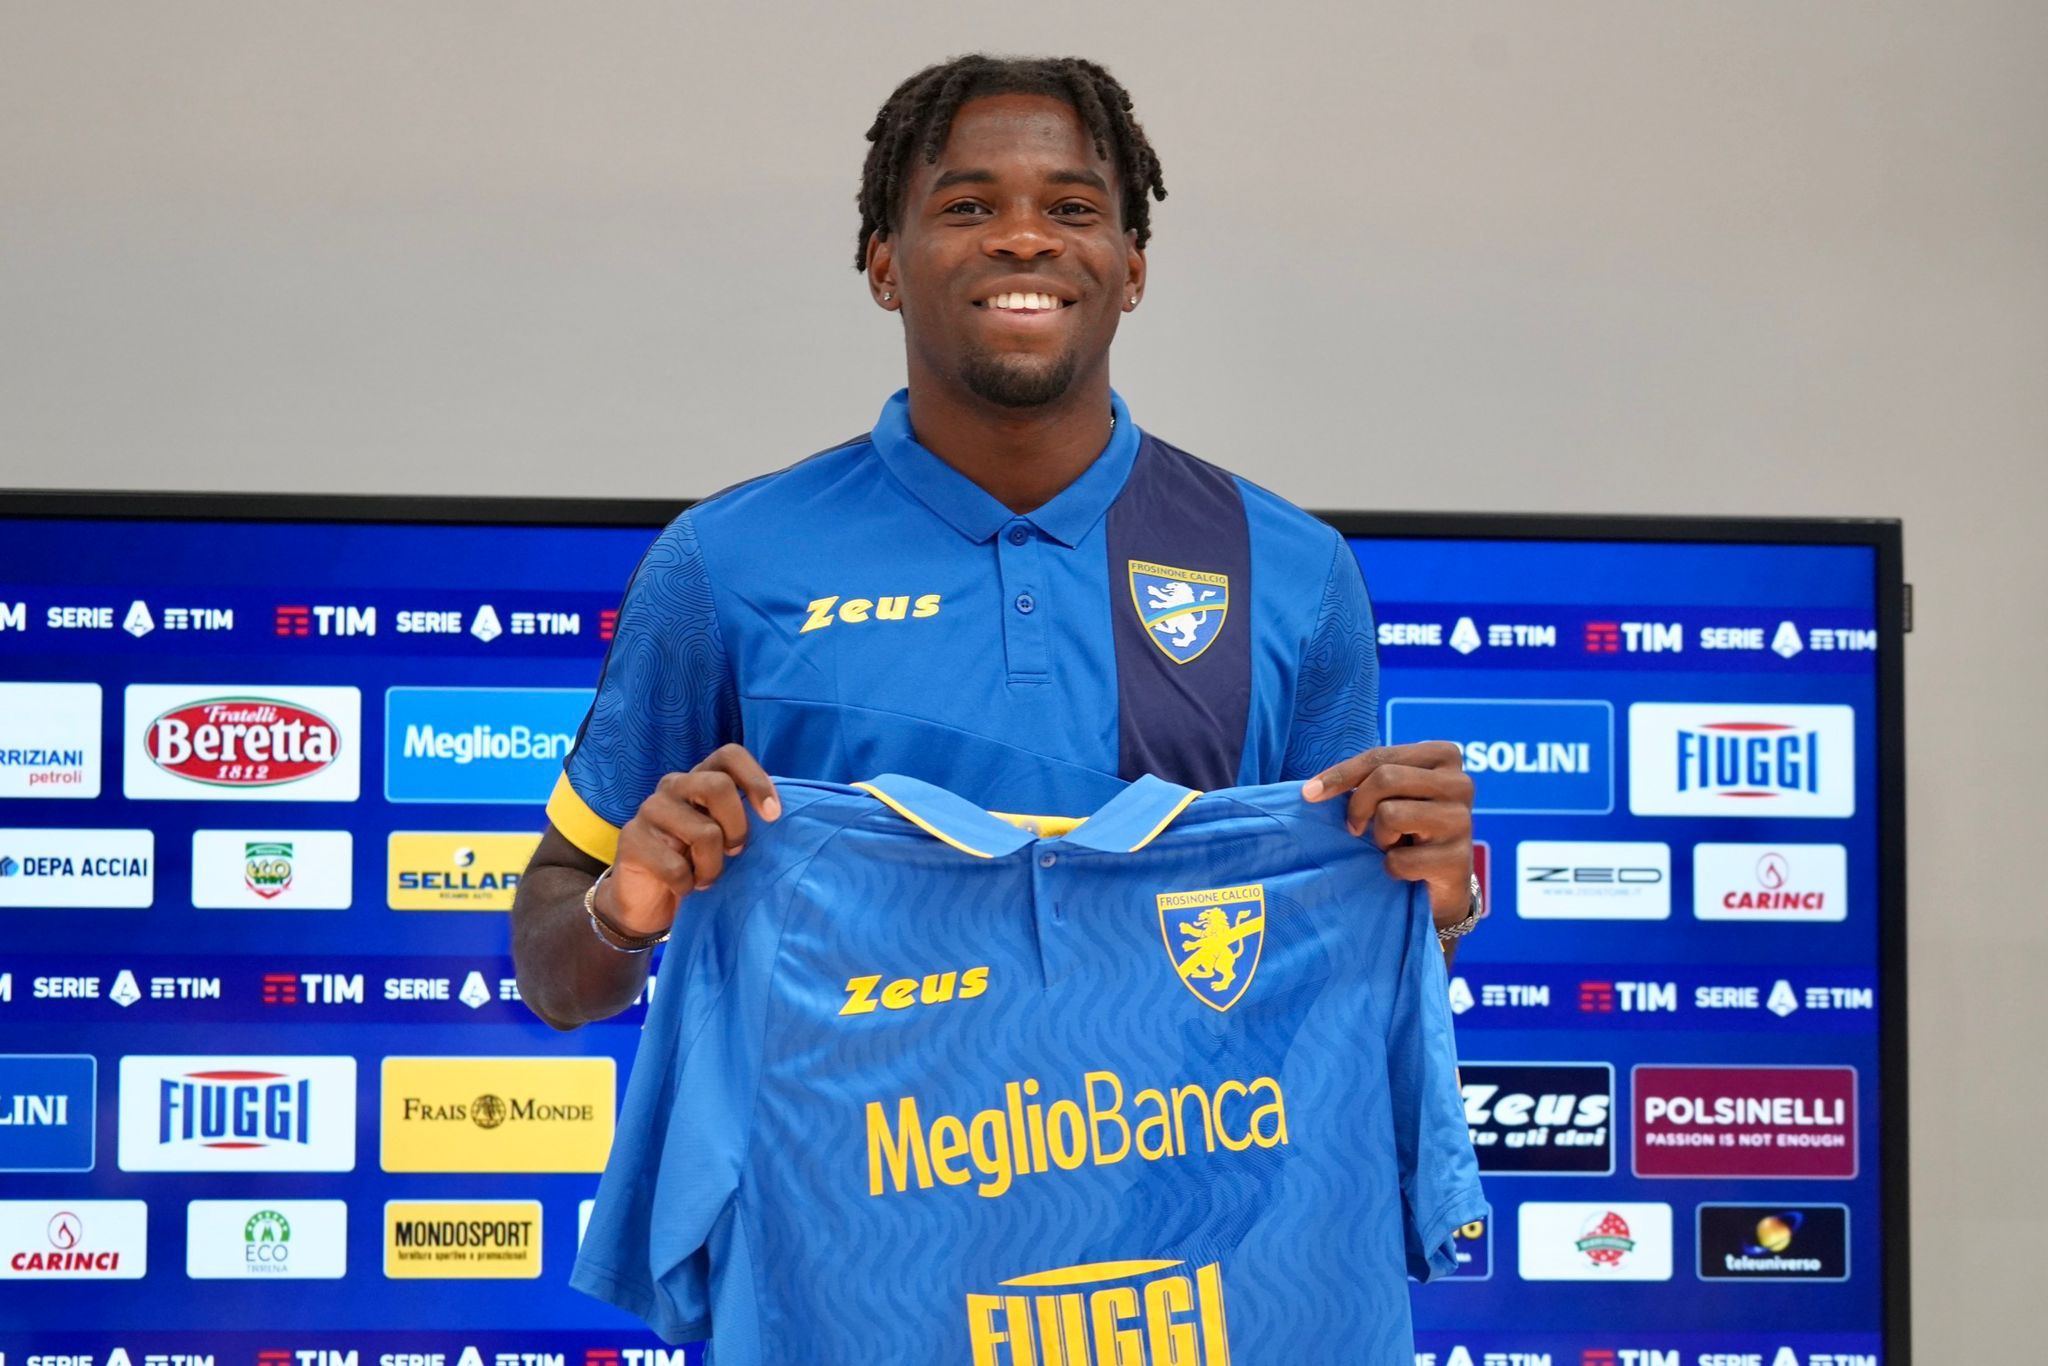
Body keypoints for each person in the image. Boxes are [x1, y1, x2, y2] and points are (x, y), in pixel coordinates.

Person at [511, 54, 1479, 1032]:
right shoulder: (724, 562)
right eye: (968, 207)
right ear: (884, 265)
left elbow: (1346, 982)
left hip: (1179, 1141)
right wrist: (624, 908)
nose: (1023, 237)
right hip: (827, 1140)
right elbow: (555, 973)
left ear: (1131, 268)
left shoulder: (1293, 572)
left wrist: (1434, 908)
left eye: (1071, 208)